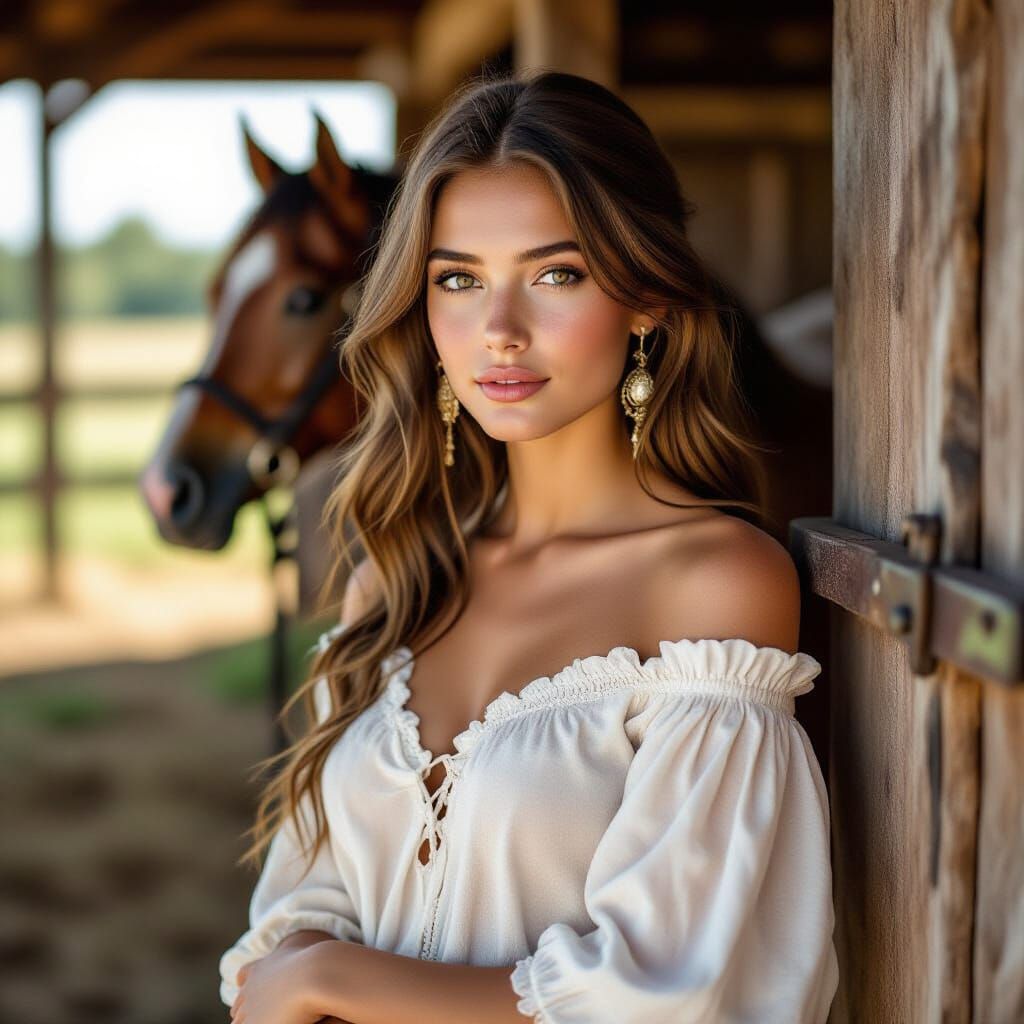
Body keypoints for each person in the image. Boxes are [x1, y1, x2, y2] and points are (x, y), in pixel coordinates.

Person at [219, 68, 839, 1024]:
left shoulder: (713, 590)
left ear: (647, 298)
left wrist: (331, 979)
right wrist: (303, 966)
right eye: (459, 280)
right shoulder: (393, 582)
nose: (498, 333)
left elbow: (667, 989)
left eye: (556, 274)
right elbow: (299, 917)